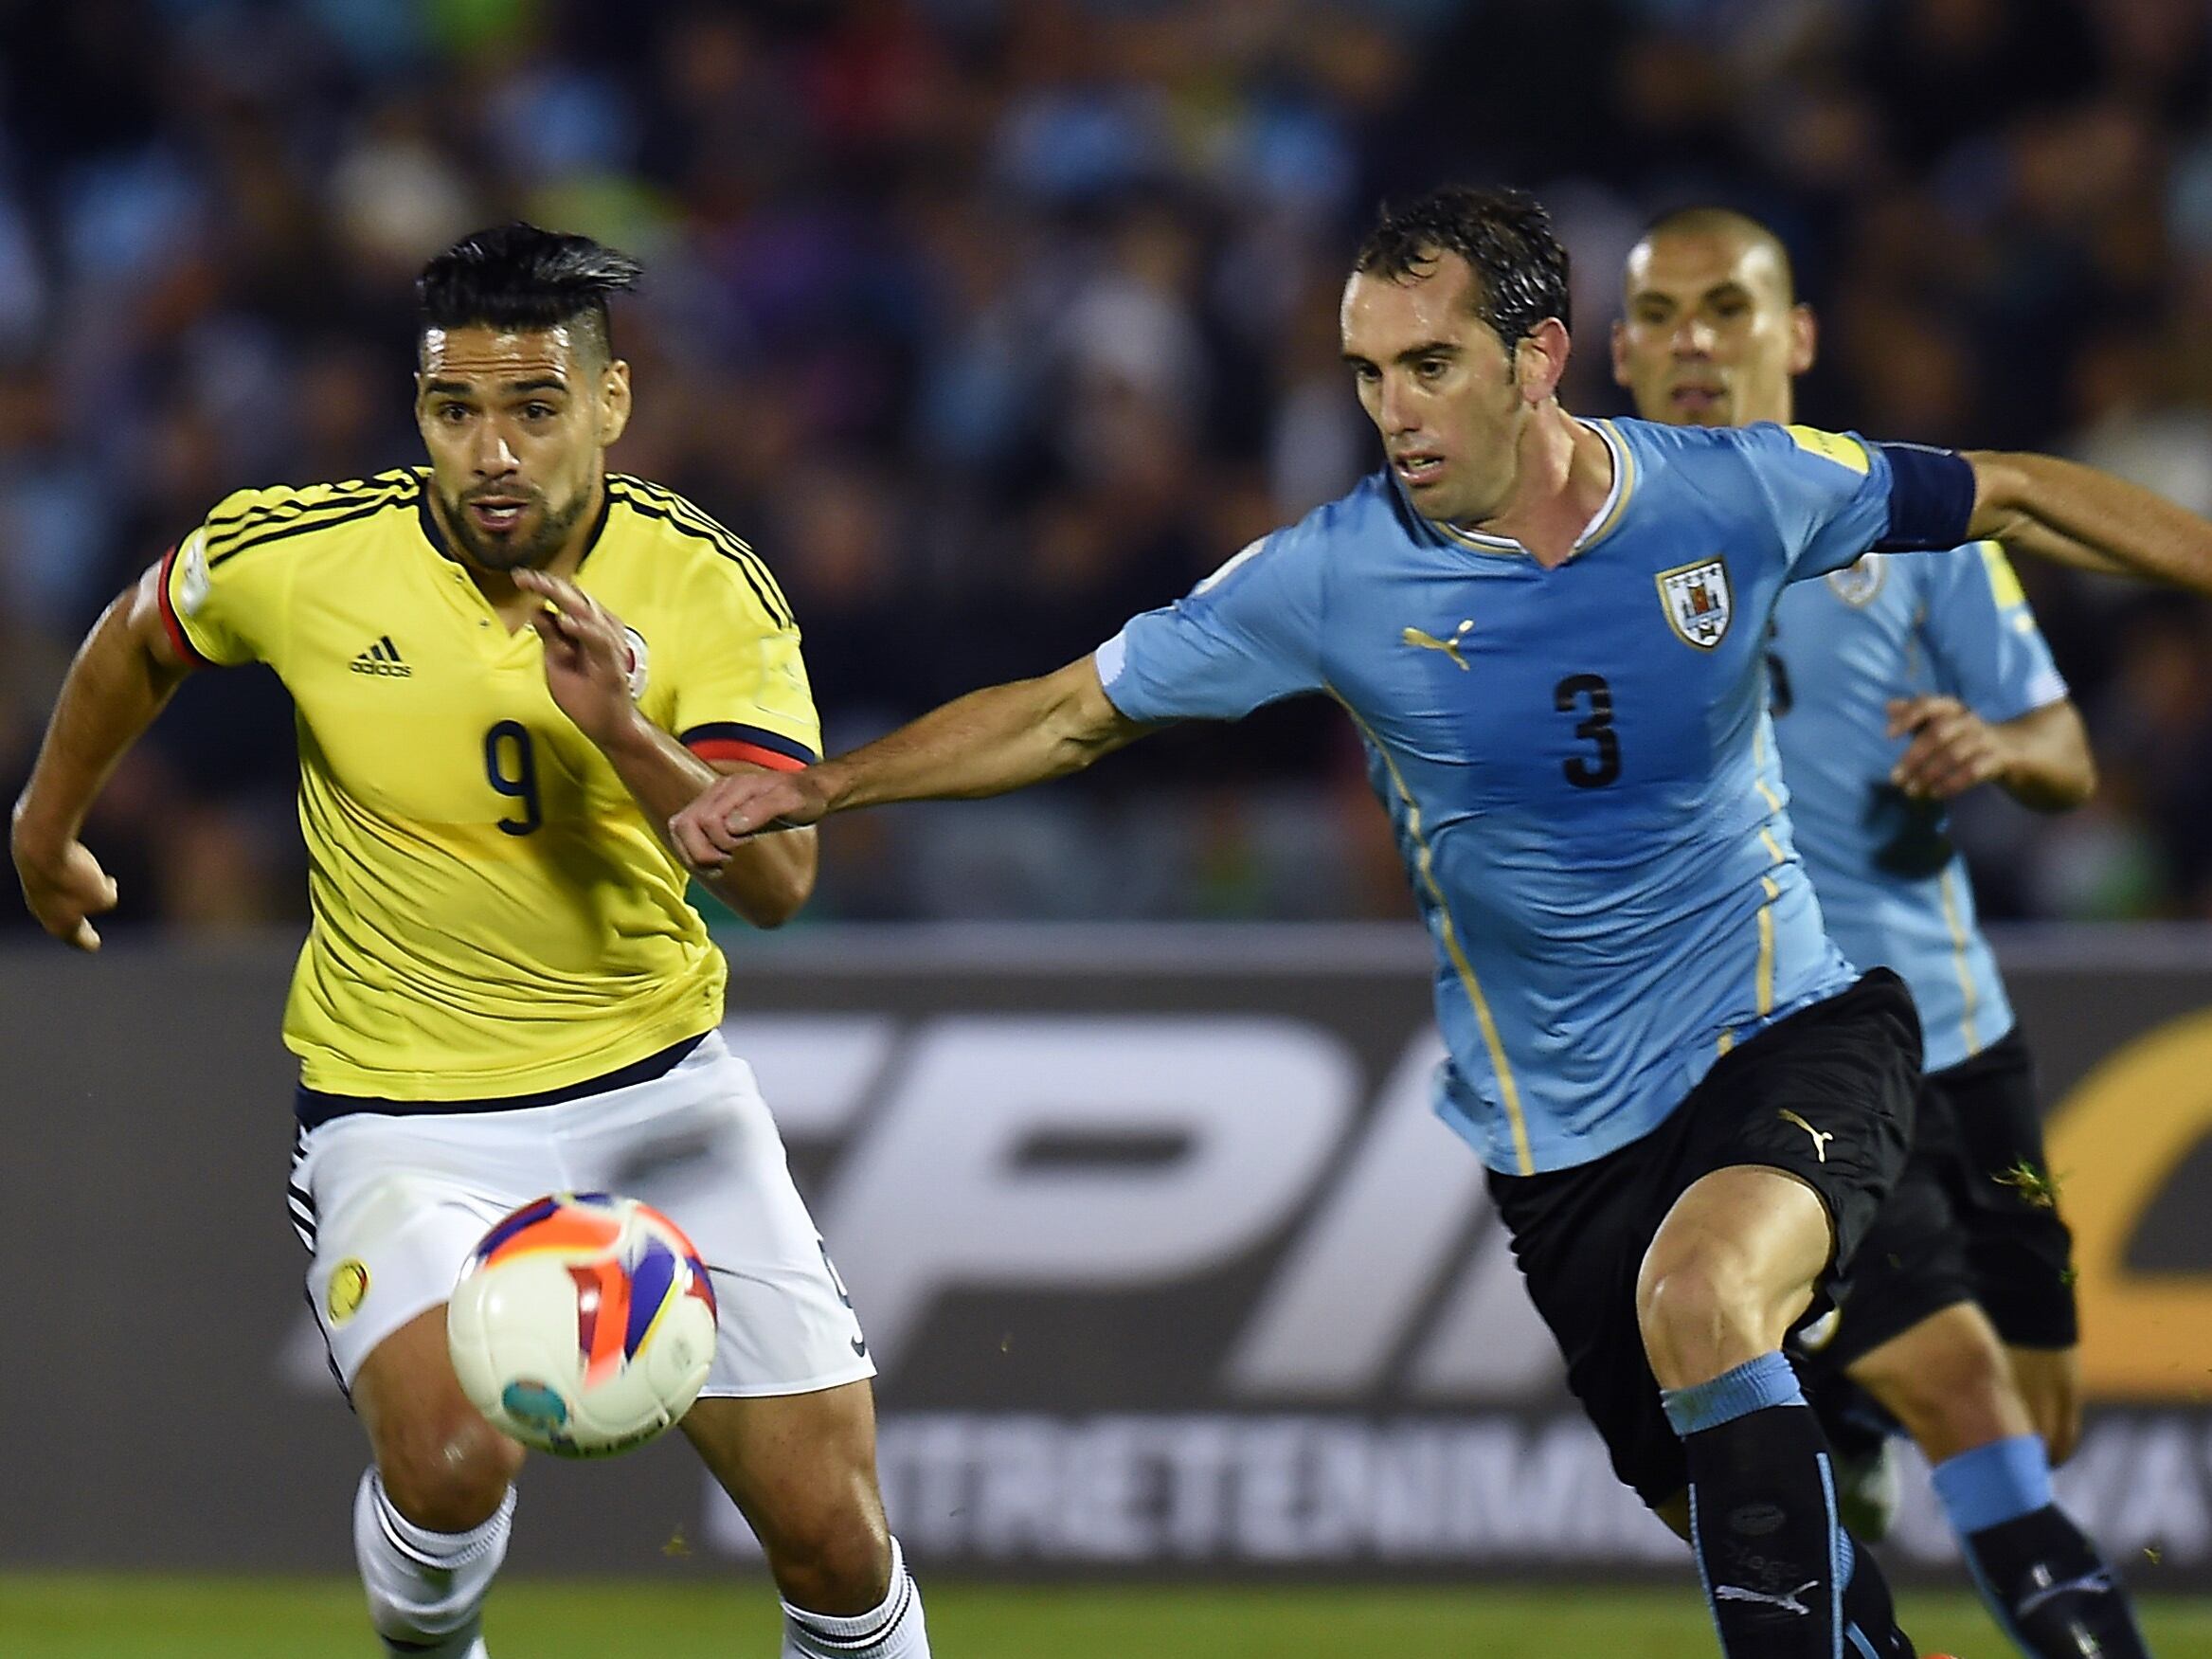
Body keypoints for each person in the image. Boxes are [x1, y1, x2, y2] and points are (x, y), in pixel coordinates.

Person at [672, 185, 2212, 1659]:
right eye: (1365, 374)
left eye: (1428, 365)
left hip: (1788, 1032)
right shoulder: (1335, 576)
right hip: (1562, 1152)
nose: (1393, 409)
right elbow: (1075, 713)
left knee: (1707, 1300)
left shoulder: (1735, 488)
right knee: (1750, 1522)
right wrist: (832, 788)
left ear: (1538, 358)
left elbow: (2005, 488)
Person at [9, 225, 930, 1659]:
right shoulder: (311, 554)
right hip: (404, 1115)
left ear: (610, 407)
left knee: (834, 1537)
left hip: (660, 1104)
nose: (493, 451)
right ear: (419, 408)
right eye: (457, 411)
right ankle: (435, 1642)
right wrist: (46, 823)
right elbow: (140, 632)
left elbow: (784, 879)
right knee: (452, 1460)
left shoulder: (706, 588)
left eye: (534, 409)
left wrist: (620, 730)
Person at [1611, 205, 2145, 1659]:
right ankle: (1832, 1425)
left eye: (1728, 308)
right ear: (1619, 351)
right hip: (1794, 1048)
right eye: (1660, 315)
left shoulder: (1920, 529)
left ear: (1796, 338)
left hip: (1967, 1033)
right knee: (1970, 1399)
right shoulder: (1583, 555)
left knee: (2036, 1413)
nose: (1696, 343)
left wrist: (1995, 747)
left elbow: (2068, 754)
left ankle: (1833, 1423)